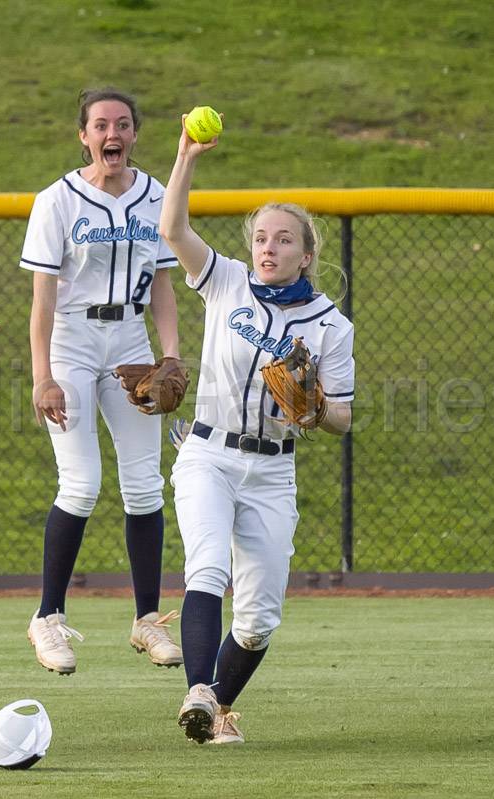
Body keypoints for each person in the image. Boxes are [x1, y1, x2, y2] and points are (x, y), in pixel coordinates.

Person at [158, 115, 355, 744]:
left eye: (283, 239)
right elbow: (172, 229)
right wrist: (187, 156)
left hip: (272, 469)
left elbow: (344, 418)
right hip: (208, 453)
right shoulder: (227, 281)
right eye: (261, 237)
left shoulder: (331, 326)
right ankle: (198, 691)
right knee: (207, 568)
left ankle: (215, 705)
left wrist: (316, 406)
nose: (268, 247)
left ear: (306, 253)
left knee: (259, 621)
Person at [19, 88, 184, 675]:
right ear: (83, 136)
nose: (111, 134)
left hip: (131, 341)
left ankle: (147, 622)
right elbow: (41, 302)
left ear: (135, 133)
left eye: (122, 124)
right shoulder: (56, 201)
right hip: (72, 340)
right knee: (82, 481)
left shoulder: (155, 195)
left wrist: (171, 355)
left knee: (145, 485)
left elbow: (164, 283)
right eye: (99, 125)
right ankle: (48, 618)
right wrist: (43, 377)